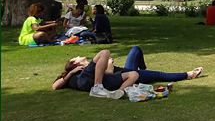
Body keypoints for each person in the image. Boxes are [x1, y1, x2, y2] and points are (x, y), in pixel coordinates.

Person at [51, 47, 203, 98]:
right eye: (77, 58)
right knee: (159, 75)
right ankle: (188, 74)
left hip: (126, 71)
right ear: (75, 64)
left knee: (136, 49)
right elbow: (110, 76)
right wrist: (109, 66)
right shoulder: (84, 72)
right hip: (122, 75)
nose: (81, 56)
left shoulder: (90, 69)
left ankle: (141, 68)